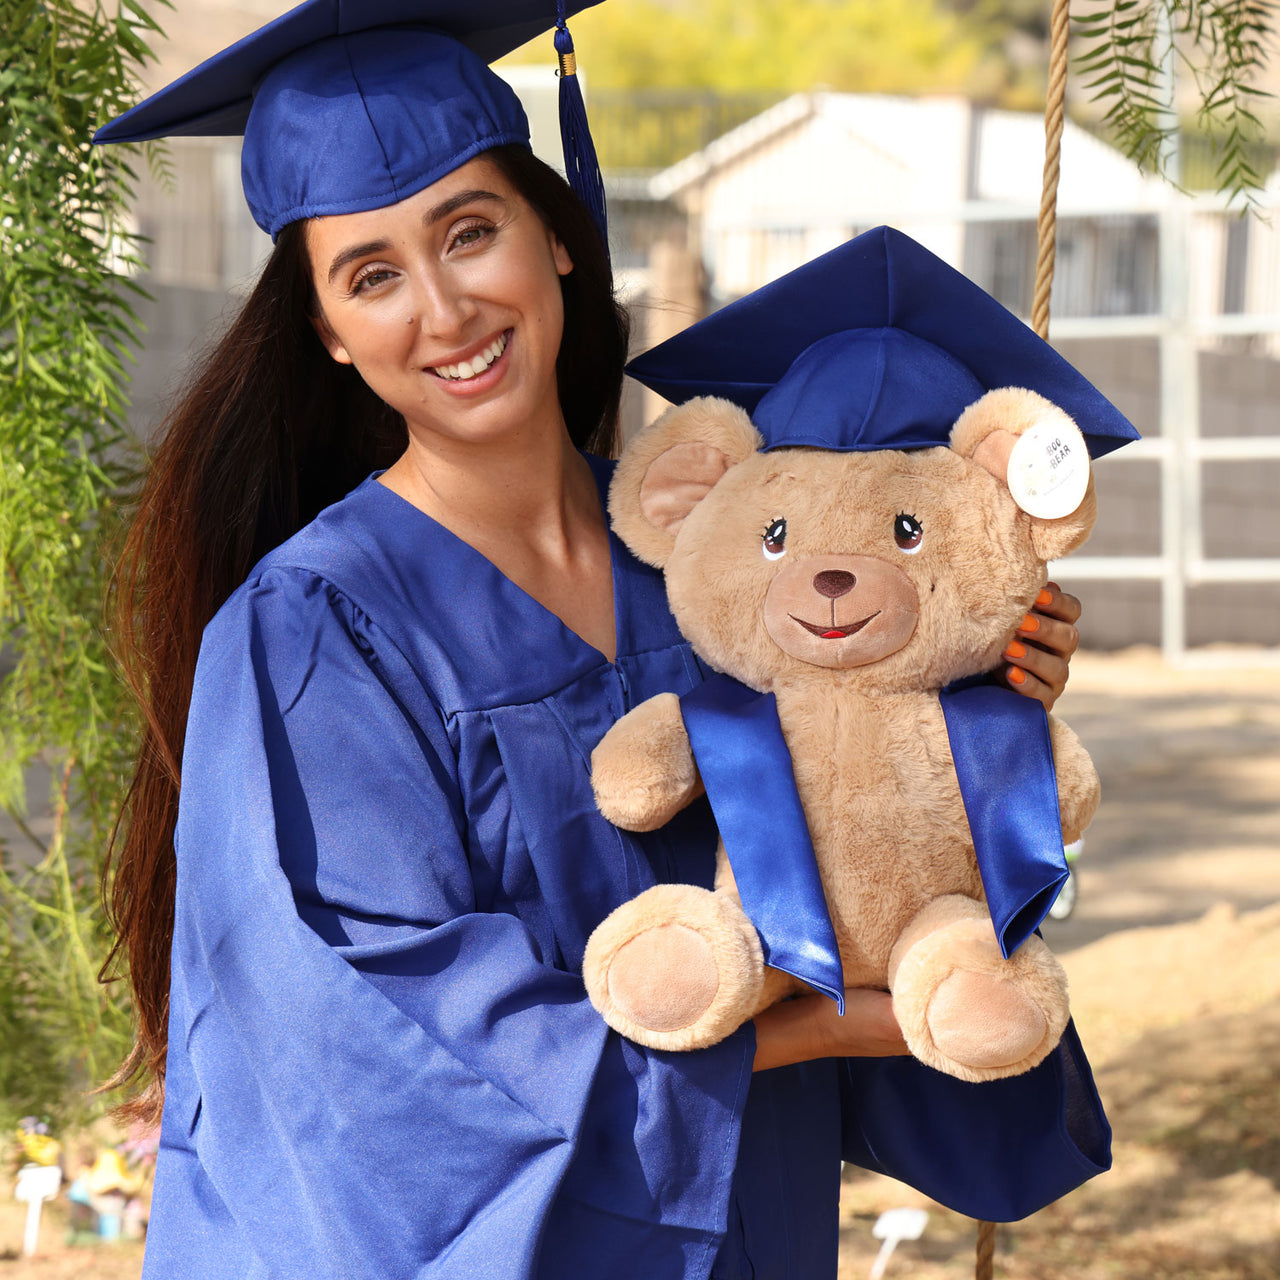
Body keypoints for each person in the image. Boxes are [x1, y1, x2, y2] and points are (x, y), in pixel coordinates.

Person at [95, 3, 1109, 1277]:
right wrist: (809, 1032)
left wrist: (984, 709)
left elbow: (877, 827)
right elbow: (371, 1045)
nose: (445, 307)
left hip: (755, 1216)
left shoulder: (713, 572)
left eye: (471, 233)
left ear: (554, 242)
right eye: (372, 275)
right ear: (327, 333)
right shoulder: (316, 629)